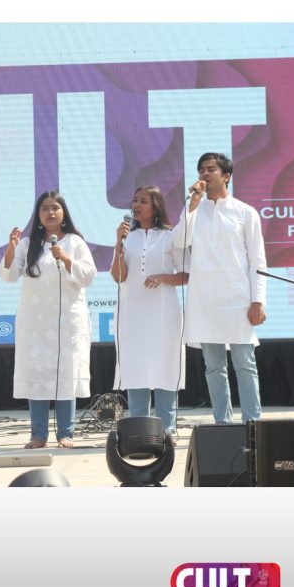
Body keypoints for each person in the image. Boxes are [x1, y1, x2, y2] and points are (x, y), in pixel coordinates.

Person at [173, 152, 267, 424]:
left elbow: (257, 261)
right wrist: (192, 205)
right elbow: (178, 242)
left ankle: (253, 424)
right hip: (204, 300)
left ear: (226, 176)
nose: (204, 173)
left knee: (245, 364)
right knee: (214, 367)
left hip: (238, 299)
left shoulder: (245, 212)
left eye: (211, 169)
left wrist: (257, 301)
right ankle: (222, 424)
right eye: (201, 169)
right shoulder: (193, 209)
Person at [0, 190, 97, 449]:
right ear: (38, 215)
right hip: (35, 323)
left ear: (64, 213)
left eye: (55, 207)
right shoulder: (27, 244)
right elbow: (9, 276)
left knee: (66, 375)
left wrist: (65, 258)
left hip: (67, 323)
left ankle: (66, 433)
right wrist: (10, 249)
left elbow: (89, 276)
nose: (50, 212)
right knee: (37, 376)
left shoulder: (75, 242)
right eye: (45, 208)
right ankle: (38, 435)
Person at [110, 186, 189, 434]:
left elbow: (186, 275)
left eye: (143, 201)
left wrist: (163, 277)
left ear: (156, 206)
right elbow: (118, 276)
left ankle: (167, 429)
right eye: (134, 200)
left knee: (166, 365)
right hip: (133, 313)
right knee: (135, 366)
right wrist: (118, 244)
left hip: (163, 314)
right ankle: (139, 429)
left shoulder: (171, 236)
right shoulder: (128, 238)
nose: (136, 205)